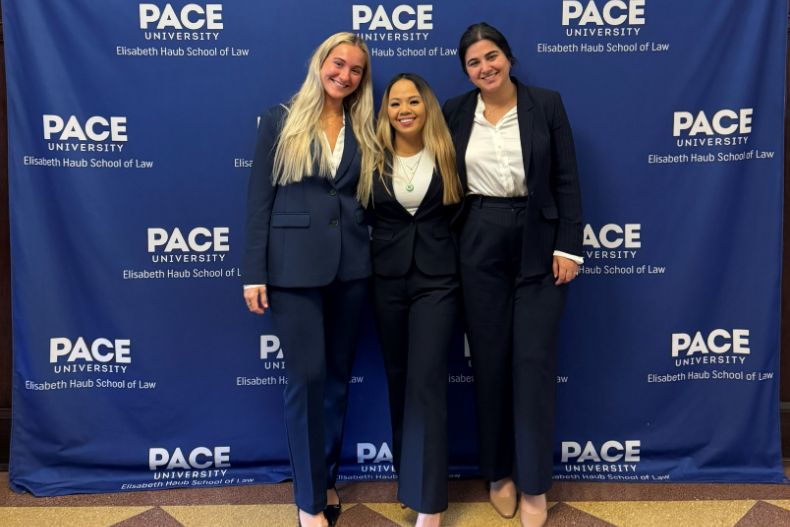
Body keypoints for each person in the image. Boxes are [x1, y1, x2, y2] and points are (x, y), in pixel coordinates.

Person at [442, 23, 583, 527]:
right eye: (474, 62)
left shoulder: (546, 104)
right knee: (490, 363)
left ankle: (534, 483)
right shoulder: (454, 111)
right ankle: (498, 472)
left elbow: (566, 179)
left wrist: (569, 246)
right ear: (466, 71)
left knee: (533, 364)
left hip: (540, 243)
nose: (485, 67)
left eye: (492, 56)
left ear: (509, 57)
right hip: (478, 237)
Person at [242, 32, 377, 527]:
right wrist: (253, 273)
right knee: (305, 380)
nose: (345, 75)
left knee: (337, 381)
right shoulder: (280, 120)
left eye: (356, 70)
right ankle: (308, 502)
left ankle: (325, 478)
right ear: (320, 62)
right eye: (338, 64)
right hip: (292, 269)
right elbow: (259, 200)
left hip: (352, 268)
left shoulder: (365, 128)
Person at [359, 73, 462, 527]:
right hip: (387, 281)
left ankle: (430, 504)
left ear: (427, 107)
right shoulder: (370, 159)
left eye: (413, 101)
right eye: (395, 102)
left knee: (427, 382)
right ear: (385, 111)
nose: (404, 109)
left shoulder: (449, 152)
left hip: (438, 281)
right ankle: (410, 481)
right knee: (399, 380)